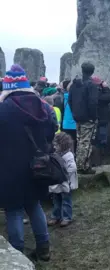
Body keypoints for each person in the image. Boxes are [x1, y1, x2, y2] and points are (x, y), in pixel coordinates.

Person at [0, 65, 56, 260]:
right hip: (37, 165)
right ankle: (44, 248)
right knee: (34, 205)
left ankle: (17, 255)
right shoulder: (43, 106)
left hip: (9, 167)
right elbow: (51, 132)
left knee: (14, 210)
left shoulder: (3, 109)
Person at [68, 62, 99, 174]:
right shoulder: (91, 86)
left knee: (80, 140)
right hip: (88, 118)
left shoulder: (74, 85)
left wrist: (74, 113)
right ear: (92, 71)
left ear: (82, 70)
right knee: (85, 142)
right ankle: (82, 166)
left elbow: (70, 101)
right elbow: (93, 102)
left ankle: (80, 164)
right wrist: (93, 117)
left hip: (77, 117)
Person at [48, 132, 78, 227]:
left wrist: (64, 175)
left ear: (63, 145)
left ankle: (66, 217)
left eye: (56, 145)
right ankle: (56, 216)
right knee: (56, 200)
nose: (54, 147)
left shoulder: (68, 155)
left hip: (65, 182)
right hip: (57, 183)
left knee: (66, 201)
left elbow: (72, 168)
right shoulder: (55, 154)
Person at [93, 76, 110, 152]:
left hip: (99, 117)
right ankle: (99, 154)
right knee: (101, 138)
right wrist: (106, 88)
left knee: (100, 136)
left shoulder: (95, 91)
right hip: (101, 118)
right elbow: (108, 98)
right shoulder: (96, 92)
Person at [62, 80, 77, 153]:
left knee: (67, 144)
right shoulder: (76, 98)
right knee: (75, 143)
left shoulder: (64, 97)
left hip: (65, 123)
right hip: (74, 124)